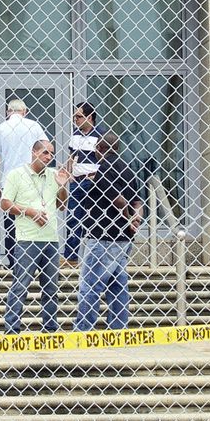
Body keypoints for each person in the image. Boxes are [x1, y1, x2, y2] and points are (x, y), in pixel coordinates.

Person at [73, 133, 141, 331]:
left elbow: (118, 200)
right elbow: (137, 201)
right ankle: (118, 327)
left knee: (90, 284)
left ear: (99, 150)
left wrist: (128, 217)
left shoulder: (104, 169)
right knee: (118, 286)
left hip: (103, 235)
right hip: (123, 238)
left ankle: (84, 329)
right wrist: (135, 219)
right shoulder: (127, 168)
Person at [1, 139, 69, 334]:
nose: (49, 157)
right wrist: (30, 212)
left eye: (51, 154)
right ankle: (12, 330)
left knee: (51, 288)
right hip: (27, 238)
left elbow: (62, 206)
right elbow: (5, 204)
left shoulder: (54, 174)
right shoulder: (16, 174)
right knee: (21, 285)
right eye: (45, 152)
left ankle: (50, 329)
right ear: (34, 152)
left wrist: (62, 186)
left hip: (50, 238)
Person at [0, 98, 50, 230]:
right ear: (24, 111)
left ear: (8, 112)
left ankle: (11, 243)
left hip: (9, 180)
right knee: (32, 216)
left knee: (11, 220)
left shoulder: (0, 129)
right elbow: (46, 148)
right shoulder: (34, 126)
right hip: (31, 177)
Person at [62, 103, 113, 266]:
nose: (75, 120)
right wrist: (69, 173)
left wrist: (97, 177)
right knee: (72, 218)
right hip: (76, 181)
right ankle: (71, 257)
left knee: (93, 218)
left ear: (89, 117)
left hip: (92, 182)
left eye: (78, 116)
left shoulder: (101, 135)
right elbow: (72, 156)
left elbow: (106, 159)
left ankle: (96, 257)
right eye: (74, 117)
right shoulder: (76, 134)